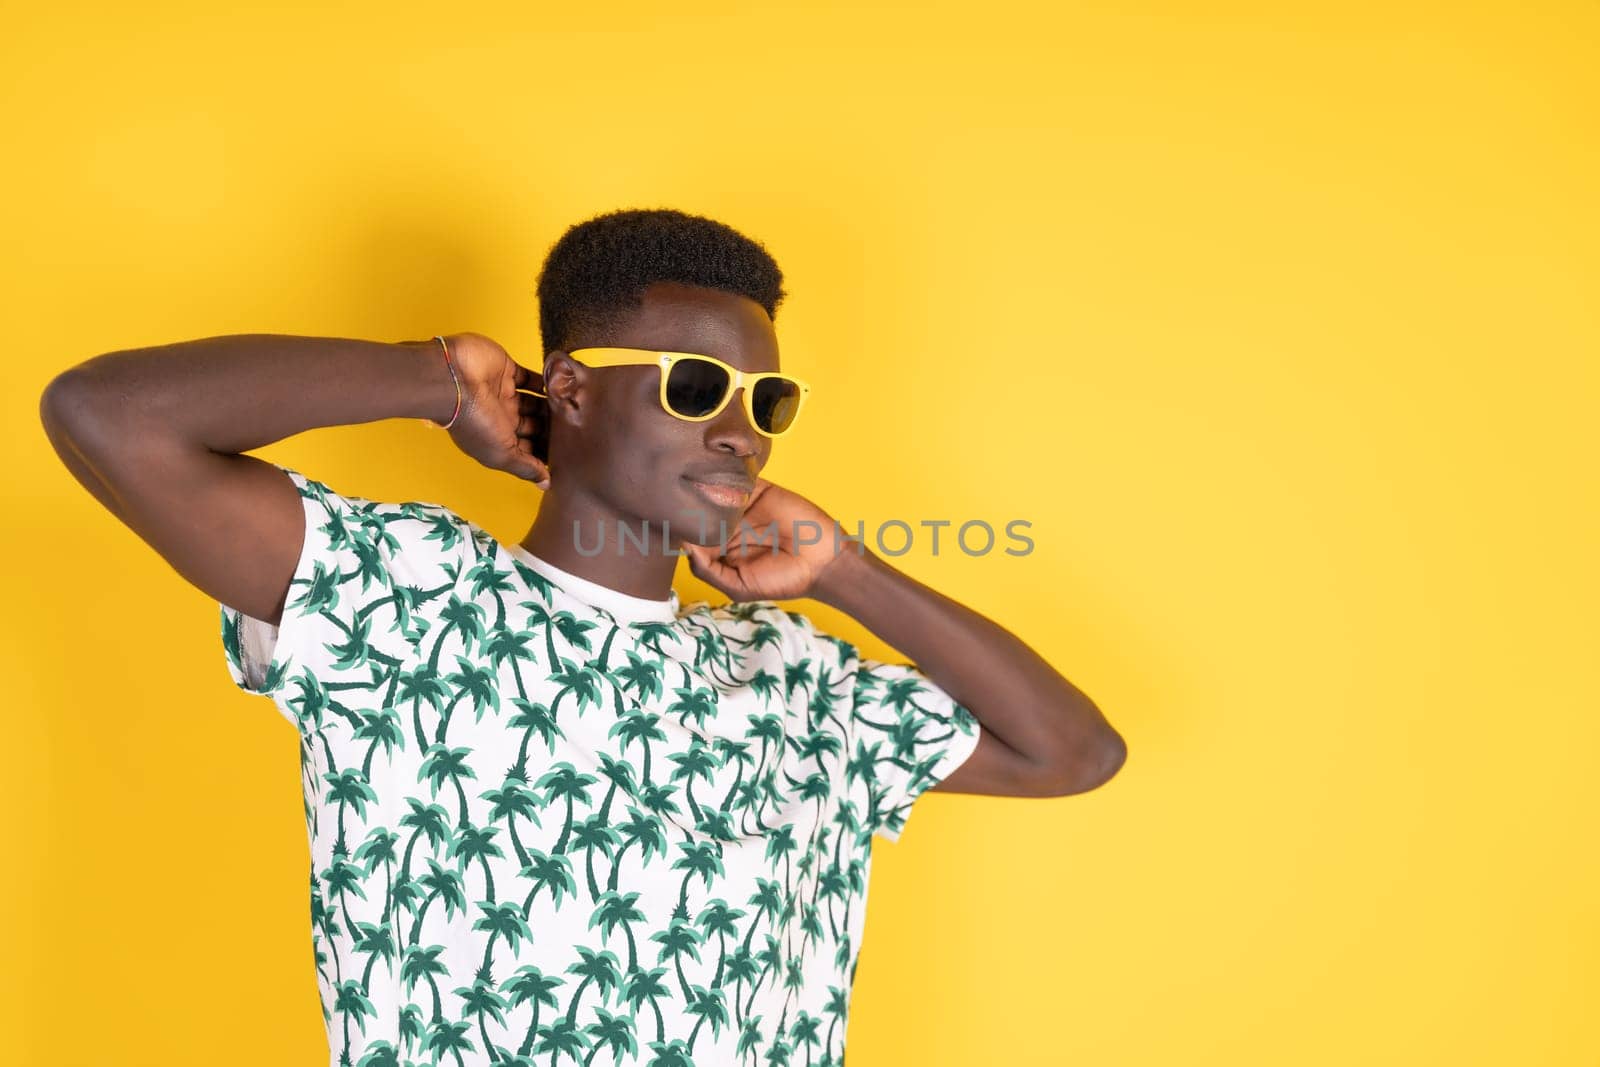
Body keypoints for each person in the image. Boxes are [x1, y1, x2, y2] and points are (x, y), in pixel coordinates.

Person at [39, 206, 1126, 1066]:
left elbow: (1072, 752)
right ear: (569, 387)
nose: (739, 429)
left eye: (768, 399)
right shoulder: (410, 598)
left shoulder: (788, 676)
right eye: (697, 386)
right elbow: (108, 414)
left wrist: (845, 569)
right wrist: (435, 378)